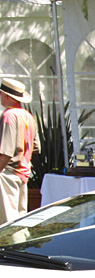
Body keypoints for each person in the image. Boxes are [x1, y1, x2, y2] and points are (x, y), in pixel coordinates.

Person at [0, 77, 39, 223]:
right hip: (23, 172)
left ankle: (11, 247)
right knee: (20, 218)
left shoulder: (9, 116)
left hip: (7, 173)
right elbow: (35, 147)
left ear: (7, 96)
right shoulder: (28, 116)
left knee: (7, 223)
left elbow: (6, 151)